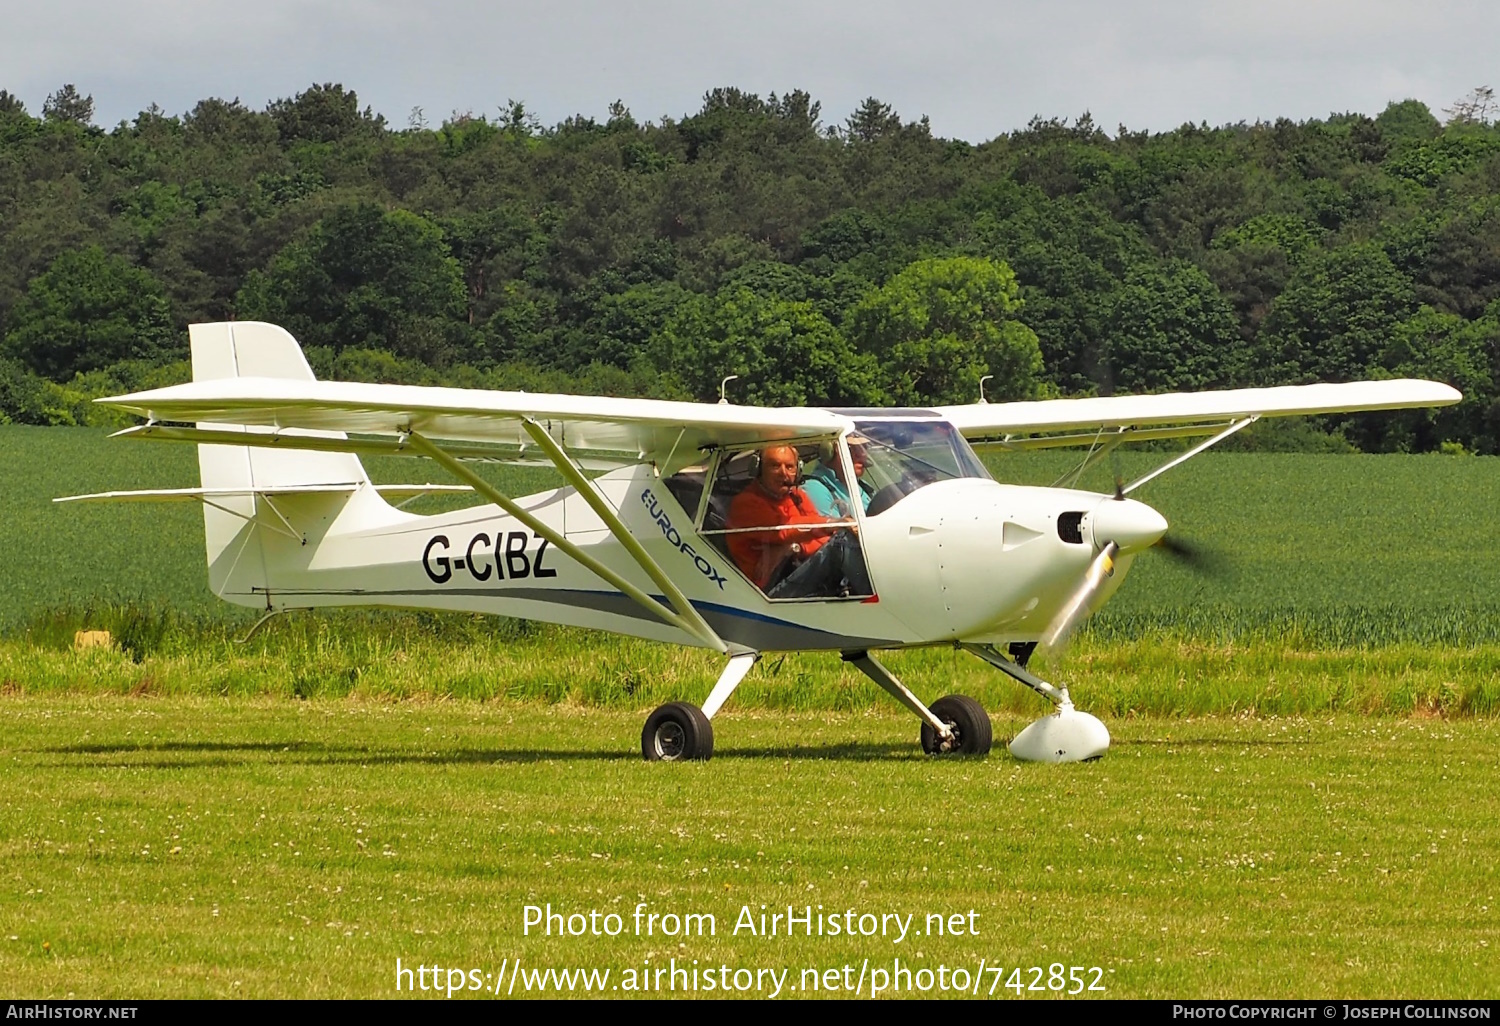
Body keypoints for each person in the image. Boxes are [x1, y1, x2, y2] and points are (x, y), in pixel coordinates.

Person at [725, 445, 871, 599]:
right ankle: (875, 599)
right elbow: (784, 529)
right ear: (759, 469)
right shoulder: (746, 503)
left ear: (798, 470)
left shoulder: (797, 496)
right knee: (843, 541)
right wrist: (832, 523)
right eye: (775, 466)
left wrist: (793, 547)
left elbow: (823, 540)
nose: (783, 473)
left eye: (789, 467)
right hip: (766, 592)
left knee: (842, 541)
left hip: (798, 574)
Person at [802, 440, 873, 518]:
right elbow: (833, 529)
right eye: (851, 448)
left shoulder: (864, 487)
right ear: (829, 451)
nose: (862, 454)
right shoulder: (814, 488)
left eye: (864, 447)